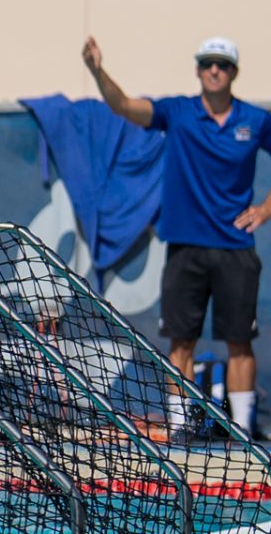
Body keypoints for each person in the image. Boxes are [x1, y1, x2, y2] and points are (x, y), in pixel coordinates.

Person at [84, 34, 271, 435]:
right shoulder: (179, 112)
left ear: (234, 72)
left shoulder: (255, 120)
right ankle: (180, 427)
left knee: (239, 342)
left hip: (236, 248)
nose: (214, 70)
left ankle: (242, 431)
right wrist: (98, 71)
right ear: (198, 70)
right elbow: (124, 106)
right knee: (181, 342)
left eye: (221, 64)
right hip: (185, 248)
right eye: (207, 63)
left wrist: (265, 209)